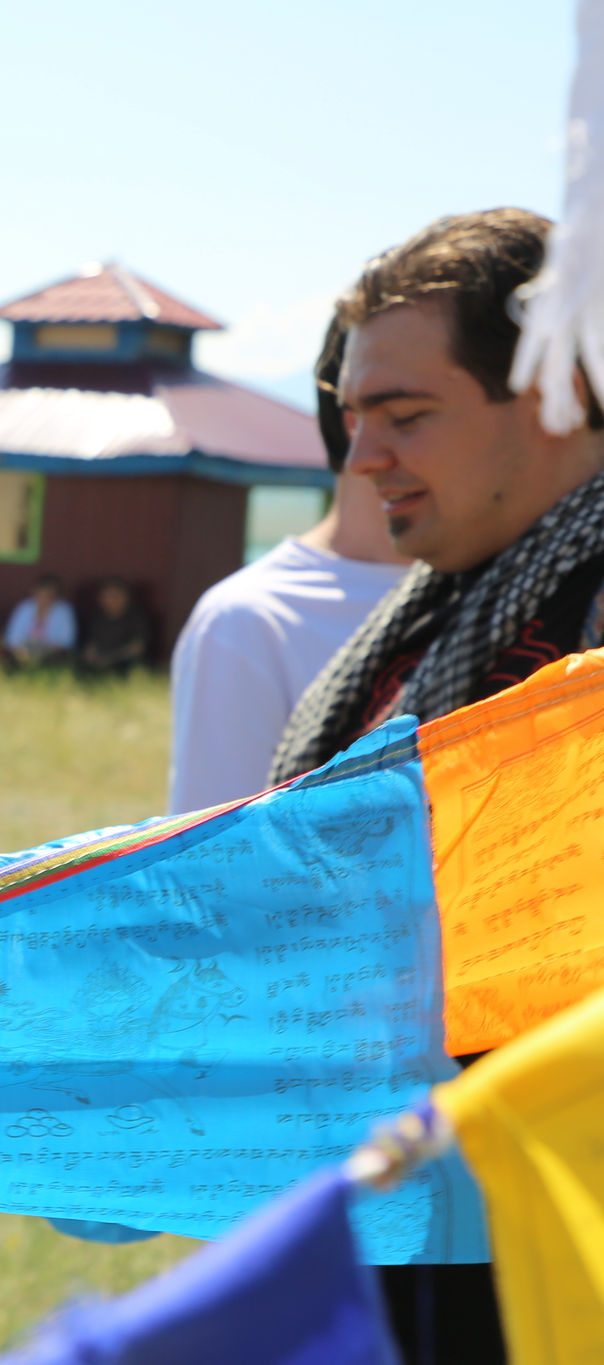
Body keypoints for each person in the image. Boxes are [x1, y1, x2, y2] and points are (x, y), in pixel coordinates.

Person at [270, 207, 604, 1365]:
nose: (361, 456)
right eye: (351, 416)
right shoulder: (426, 622)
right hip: (403, 1216)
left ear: (558, 391)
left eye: (404, 415)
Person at [165, 317, 411, 812]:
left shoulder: (522, 595)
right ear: (356, 419)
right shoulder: (251, 621)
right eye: (414, 413)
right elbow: (220, 868)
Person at [76, 577, 150, 676]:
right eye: (105, 597)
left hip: (121, 661)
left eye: (113, 596)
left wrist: (111, 658)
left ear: (125, 598)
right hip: (98, 660)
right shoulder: (97, 617)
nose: (108, 600)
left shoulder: (136, 617)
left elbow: (137, 648)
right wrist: (90, 655)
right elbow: (91, 642)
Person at [2, 573, 75, 667]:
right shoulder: (24, 607)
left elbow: (66, 641)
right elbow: (11, 638)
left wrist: (44, 650)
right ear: (35, 592)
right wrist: (22, 650)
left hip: (51, 652)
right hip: (23, 651)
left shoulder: (64, 610)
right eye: (42, 593)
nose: (45, 598)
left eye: (50, 594)